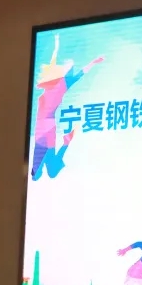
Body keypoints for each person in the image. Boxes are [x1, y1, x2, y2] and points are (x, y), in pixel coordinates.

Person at [30, 34, 103, 181]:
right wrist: (57, 42)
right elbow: (54, 58)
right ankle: (66, 142)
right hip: (44, 127)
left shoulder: (64, 83)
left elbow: (81, 73)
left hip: (45, 128)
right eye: (66, 64)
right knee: (48, 173)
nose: (65, 66)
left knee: (41, 174)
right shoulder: (52, 80)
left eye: (68, 65)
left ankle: (66, 142)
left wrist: (93, 62)